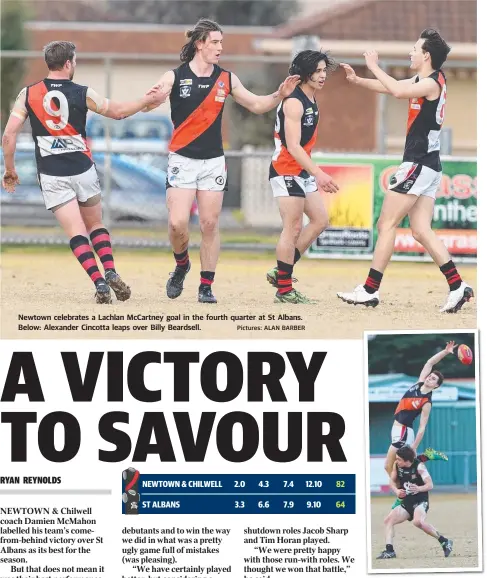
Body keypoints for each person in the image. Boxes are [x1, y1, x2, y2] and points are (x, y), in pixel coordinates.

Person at [144, 18, 300, 304]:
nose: (220, 47)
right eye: (215, 42)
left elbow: (255, 105)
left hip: (213, 161)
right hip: (182, 159)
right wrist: (153, 98)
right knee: (178, 223)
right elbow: (155, 96)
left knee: (209, 224)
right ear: (199, 43)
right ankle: (181, 265)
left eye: (221, 42)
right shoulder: (175, 76)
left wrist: (280, 94)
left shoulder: (226, 78)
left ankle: (206, 285)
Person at [2, 40, 167, 304]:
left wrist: (10, 170)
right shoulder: (82, 92)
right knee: (96, 224)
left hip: (53, 174)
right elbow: (118, 112)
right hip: (83, 170)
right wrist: (147, 100)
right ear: (68, 63)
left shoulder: (28, 93)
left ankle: (100, 283)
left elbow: (9, 135)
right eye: (75, 61)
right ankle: (110, 269)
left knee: (76, 232)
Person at [337, 29, 473, 313]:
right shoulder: (427, 80)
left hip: (418, 163)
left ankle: (370, 289)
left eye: (414, 48)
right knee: (421, 230)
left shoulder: (430, 83)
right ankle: (457, 286)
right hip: (429, 164)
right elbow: (393, 86)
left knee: (386, 225)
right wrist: (359, 79)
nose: (410, 52)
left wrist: (373, 65)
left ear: (426, 55)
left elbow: (397, 91)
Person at [265, 50, 339, 304]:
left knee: (320, 220)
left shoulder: (311, 98)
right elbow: (293, 146)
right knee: (293, 226)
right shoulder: (294, 102)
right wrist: (318, 173)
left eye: (323, 70)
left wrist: (311, 171)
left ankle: (281, 271)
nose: (322, 75)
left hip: (301, 170)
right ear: (304, 73)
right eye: (317, 71)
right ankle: (284, 290)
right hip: (285, 169)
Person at [384, 341, 456, 479]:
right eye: (430, 376)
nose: (430, 377)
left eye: (433, 379)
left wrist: (414, 446)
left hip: (404, 431)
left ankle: (402, 494)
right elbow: (429, 363)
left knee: (390, 466)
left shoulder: (426, 402)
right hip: (397, 429)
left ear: (436, 386)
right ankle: (427, 456)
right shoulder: (418, 384)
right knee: (402, 467)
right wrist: (445, 352)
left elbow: (422, 427)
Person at [376, 445, 453, 559]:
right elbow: (391, 482)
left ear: (407, 461)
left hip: (420, 500)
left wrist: (418, 488)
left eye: (399, 459)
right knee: (388, 520)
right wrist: (397, 491)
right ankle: (389, 551)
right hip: (407, 501)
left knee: (418, 522)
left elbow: (430, 485)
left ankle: (445, 541)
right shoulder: (397, 465)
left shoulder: (420, 466)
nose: (396, 461)